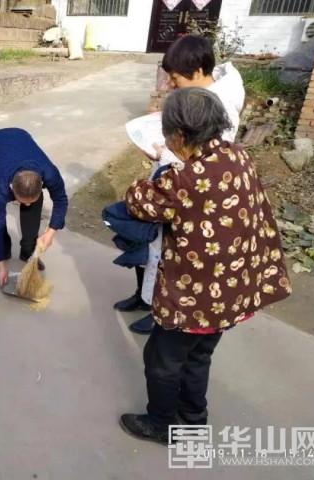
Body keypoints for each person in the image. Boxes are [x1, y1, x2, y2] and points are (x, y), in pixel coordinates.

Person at [119, 88, 291, 445]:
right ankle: (194, 418)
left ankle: (161, 423)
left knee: (161, 360)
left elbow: (139, 201)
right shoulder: (237, 155)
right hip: (231, 293)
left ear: (179, 136)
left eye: (168, 136)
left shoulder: (183, 180)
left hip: (192, 300)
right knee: (198, 356)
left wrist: (158, 163)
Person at [117, 35, 246, 335]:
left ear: (199, 71)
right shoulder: (200, 97)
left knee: (165, 254)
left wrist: (165, 155)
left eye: (175, 78)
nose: (172, 84)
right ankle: (144, 296)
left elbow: (205, 165)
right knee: (149, 242)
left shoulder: (220, 108)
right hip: (172, 179)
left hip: (187, 195)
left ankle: (158, 310)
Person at [0, 128, 68, 286]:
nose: (27, 204)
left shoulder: (49, 172)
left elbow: (61, 200)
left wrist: (51, 231)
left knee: (32, 207)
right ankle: (3, 251)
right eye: (22, 200)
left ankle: (28, 251)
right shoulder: (0, 185)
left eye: (32, 199)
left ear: (41, 183)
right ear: (11, 189)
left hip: (19, 137)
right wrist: (0, 264)